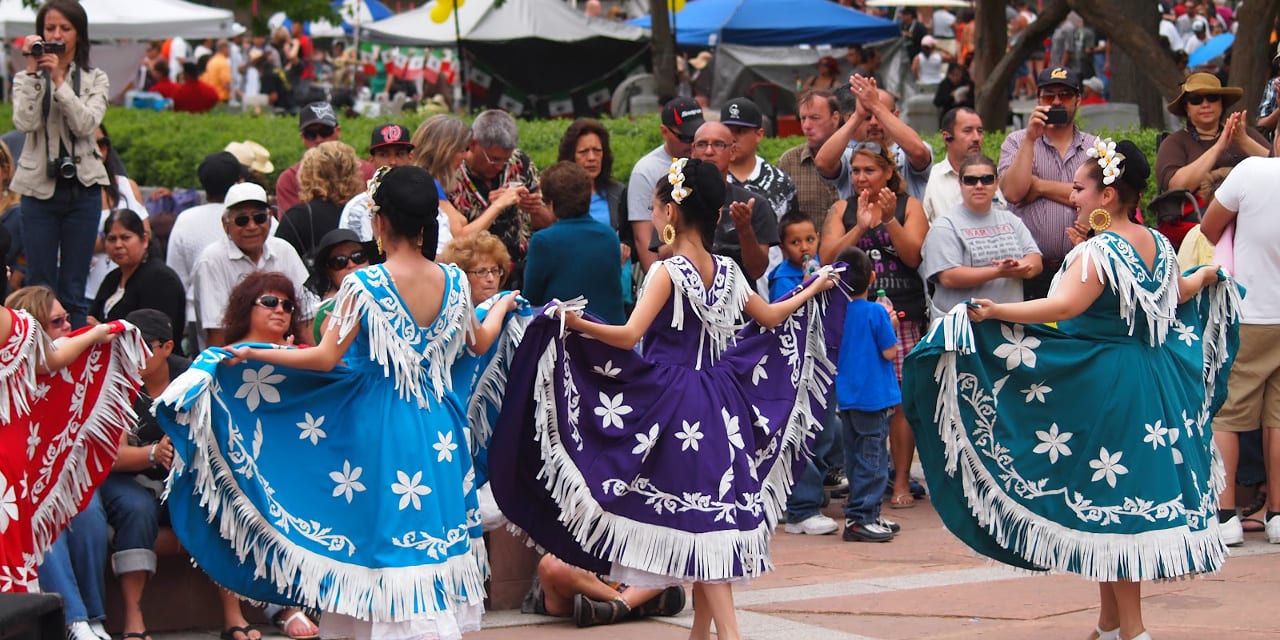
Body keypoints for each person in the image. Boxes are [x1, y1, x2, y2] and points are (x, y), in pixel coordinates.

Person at [157, 166, 519, 640]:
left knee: (380, 551)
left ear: (380, 222)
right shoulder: (453, 281)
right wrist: (503, 305)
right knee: (422, 552)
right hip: (440, 431)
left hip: (382, 429)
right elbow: (477, 343)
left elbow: (326, 358)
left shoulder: (363, 286)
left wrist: (252, 351)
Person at [490, 158, 842, 640]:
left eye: (656, 207)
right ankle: (701, 635)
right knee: (707, 528)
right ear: (715, 214)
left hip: (675, 406)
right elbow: (774, 317)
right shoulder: (729, 270)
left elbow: (629, 333)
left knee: (702, 531)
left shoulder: (667, 271)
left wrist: (572, 322)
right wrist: (812, 287)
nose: (653, 215)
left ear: (673, 212)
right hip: (721, 402)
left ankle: (731, 637)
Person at [904, 139, 1236, 640]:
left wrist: (996, 312)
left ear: (1107, 195)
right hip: (1153, 381)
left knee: (1120, 511)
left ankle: (1134, 632)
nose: (1072, 195)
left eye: (1079, 187)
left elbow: (1060, 307)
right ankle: (1108, 624)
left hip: (1111, 387)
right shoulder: (1158, 244)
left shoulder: (1098, 251)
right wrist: (1206, 273)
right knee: (1108, 506)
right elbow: (1177, 292)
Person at [0, 286, 146, 595]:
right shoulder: (15, 324)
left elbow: (48, 358)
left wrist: (94, 335)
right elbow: (49, 358)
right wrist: (95, 335)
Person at [820, 141, 928, 511]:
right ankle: (864, 478)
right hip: (851, 317)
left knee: (900, 401)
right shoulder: (841, 208)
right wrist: (860, 227)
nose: (861, 177)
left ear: (888, 172)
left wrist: (888, 219)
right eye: (856, 171)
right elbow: (827, 259)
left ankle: (899, 480)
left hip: (901, 314)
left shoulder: (909, 205)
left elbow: (914, 255)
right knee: (854, 400)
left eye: (869, 170)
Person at [11, 0, 110, 327]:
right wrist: (32, 72)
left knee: (73, 287)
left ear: (79, 35)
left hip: (83, 191)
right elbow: (24, 123)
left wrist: (59, 81)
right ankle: (37, 361)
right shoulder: (26, 77)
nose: (56, 35)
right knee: (40, 284)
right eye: (49, 29)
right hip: (37, 190)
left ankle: (74, 362)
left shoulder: (96, 78)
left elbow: (85, 125)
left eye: (64, 29)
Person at [1200, 154, 1280, 547]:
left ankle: (1226, 514)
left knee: (1227, 415)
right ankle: (1278, 516)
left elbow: (1209, 227)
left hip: (1252, 310)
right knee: (1279, 419)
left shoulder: (1250, 170)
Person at [998, 66, 1096, 301]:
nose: (1056, 102)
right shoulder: (1017, 141)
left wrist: (1040, 187)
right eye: (1049, 96)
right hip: (1029, 271)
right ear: (1038, 100)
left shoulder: (1095, 148)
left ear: (1078, 100)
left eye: (1065, 95)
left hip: (1081, 266)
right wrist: (1031, 137)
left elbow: (1097, 201)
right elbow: (1013, 192)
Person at [190, 182, 314, 347]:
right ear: (225, 224)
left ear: (270, 219)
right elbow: (217, 333)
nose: (252, 226)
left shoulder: (284, 250)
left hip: (286, 354)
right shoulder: (211, 260)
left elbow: (307, 317)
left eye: (259, 218)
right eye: (242, 220)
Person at [832, 246, 899, 542]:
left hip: (847, 397)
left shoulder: (837, 313)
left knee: (855, 457)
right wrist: (892, 325)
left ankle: (864, 513)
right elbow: (889, 351)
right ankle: (862, 517)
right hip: (873, 397)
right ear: (872, 278)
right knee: (874, 460)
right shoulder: (876, 312)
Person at [920, 154, 1042, 317]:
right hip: (961, 328)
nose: (979, 185)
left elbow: (1035, 260)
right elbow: (949, 277)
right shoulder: (945, 225)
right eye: (971, 180)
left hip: (1008, 326)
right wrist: (999, 272)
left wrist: (1020, 268)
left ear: (996, 183)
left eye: (986, 179)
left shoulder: (1011, 220)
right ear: (960, 184)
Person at [448, 110, 549, 289]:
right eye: (494, 159)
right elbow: (456, 240)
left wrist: (533, 208)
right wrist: (493, 207)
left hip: (523, 271)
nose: (500, 166)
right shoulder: (453, 173)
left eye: (505, 160)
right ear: (473, 144)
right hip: (476, 279)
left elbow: (547, 221)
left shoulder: (519, 162)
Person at [523, 162, 624, 325]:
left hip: (567, 338)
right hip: (610, 335)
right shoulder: (609, 235)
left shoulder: (544, 241)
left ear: (551, 204)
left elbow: (531, 298)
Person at [412, 115, 523, 255]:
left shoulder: (427, 182)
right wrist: (499, 205)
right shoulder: (426, 185)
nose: (465, 156)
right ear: (445, 150)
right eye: (462, 150)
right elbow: (460, 239)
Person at [815, 75, 933, 202]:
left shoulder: (908, 151)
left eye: (879, 116)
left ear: (896, 116)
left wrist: (876, 106)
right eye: (867, 117)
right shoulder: (848, 153)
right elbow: (822, 164)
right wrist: (858, 115)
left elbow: (919, 152)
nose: (873, 123)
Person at [556, 118, 632, 309]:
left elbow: (630, 237)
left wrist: (625, 247)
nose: (592, 157)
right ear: (571, 156)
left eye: (597, 151)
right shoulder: (557, 192)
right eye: (583, 152)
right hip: (571, 289)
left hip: (612, 288)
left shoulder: (617, 192)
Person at [1156, 73, 1269, 194]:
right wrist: (1217, 148)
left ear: (1222, 103)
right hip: (1198, 212)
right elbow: (1176, 186)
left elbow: (1276, 166)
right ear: (1186, 108)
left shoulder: (1243, 133)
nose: (1205, 105)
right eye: (1196, 100)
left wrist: (1244, 141)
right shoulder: (1174, 142)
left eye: (1212, 97)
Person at [88, 208, 184, 344]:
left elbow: (155, 337)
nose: (118, 245)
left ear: (144, 240)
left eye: (125, 237)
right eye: (112, 239)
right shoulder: (112, 278)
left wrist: (106, 332)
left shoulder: (161, 279)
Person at [629, 98, 702, 274]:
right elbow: (643, 239)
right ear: (664, 132)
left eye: (697, 135)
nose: (692, 143)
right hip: (668, 268)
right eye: (685, 137)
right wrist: (654, 281)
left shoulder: (708, 159)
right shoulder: (646, 171)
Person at [84, 124, 148, 300]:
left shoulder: (126, 186)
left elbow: (145, 234)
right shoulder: (62, 195)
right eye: (88, 144)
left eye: (102, 143)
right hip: (84, 293)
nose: (97, 150)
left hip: (128, 289)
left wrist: (102, 241)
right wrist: (126, 237)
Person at [275, 102, 375, 214]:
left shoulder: (366, 171)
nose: (319, 139)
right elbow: (291, 225)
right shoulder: (289, 179)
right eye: (311, 134)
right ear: (303, 138)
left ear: (337, 132)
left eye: (325, 132)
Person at [275, 141, 363, 263]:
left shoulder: (299, 216)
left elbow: (279, 263)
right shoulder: (366, 212)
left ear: (307, 174)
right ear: (353, 172)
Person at [778, 89, 842, 233]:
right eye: (803, 118)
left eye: (815, 118)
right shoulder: (789, 161)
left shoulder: (856, 158)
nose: (806, 125)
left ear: (835, 118)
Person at [304, 228, 368, 344]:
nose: (351, 264)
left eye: (358, 256)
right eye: (339, 261)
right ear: (328, 272)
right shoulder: (332, 313)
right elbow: (338, 360)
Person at [932, 64, 975, 129]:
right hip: (948, 115)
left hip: (965, 115)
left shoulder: (967, 83)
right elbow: (937, 102)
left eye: (958, 74)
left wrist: (965, 100)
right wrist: (951, 96)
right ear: (949, 75)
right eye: (953, 75)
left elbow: (973, 101)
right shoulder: (944, 84)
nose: (956, 78)